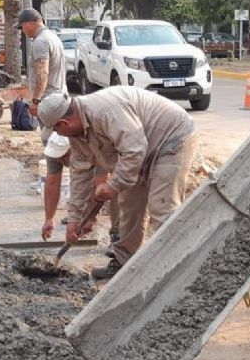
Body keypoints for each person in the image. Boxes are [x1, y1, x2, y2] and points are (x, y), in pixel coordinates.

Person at [36, 87, 198, 280]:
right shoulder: (76, 136)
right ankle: (124, 264)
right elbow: (79, 177)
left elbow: (135, 150)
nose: (58, 133)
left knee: (161, 208)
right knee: (128, 206)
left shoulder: (105, 112)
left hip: (170, 138)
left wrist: (113, 186)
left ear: (64, 122)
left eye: (56, 129)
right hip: (141, 150)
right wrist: (75, 219)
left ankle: (178, 273)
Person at [40, 132, 120, 253]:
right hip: (89, 160)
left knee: (118, 192)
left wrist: (89, 217)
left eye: (65, 156)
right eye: (59, 158)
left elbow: (100, 186)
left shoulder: (95, 146)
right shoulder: (53, 152)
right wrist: (49, 218)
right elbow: (52, 184)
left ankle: (118, 238)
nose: (62, 161)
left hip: (123, 159)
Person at [14, 8, 66, 117]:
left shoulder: (40, 41)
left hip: (48, 100)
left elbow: (42, 73)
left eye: (21, 27)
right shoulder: (53, 37)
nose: (22, 31)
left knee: (49, 134)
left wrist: (36, 101)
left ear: (28, 24)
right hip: (59, 96)